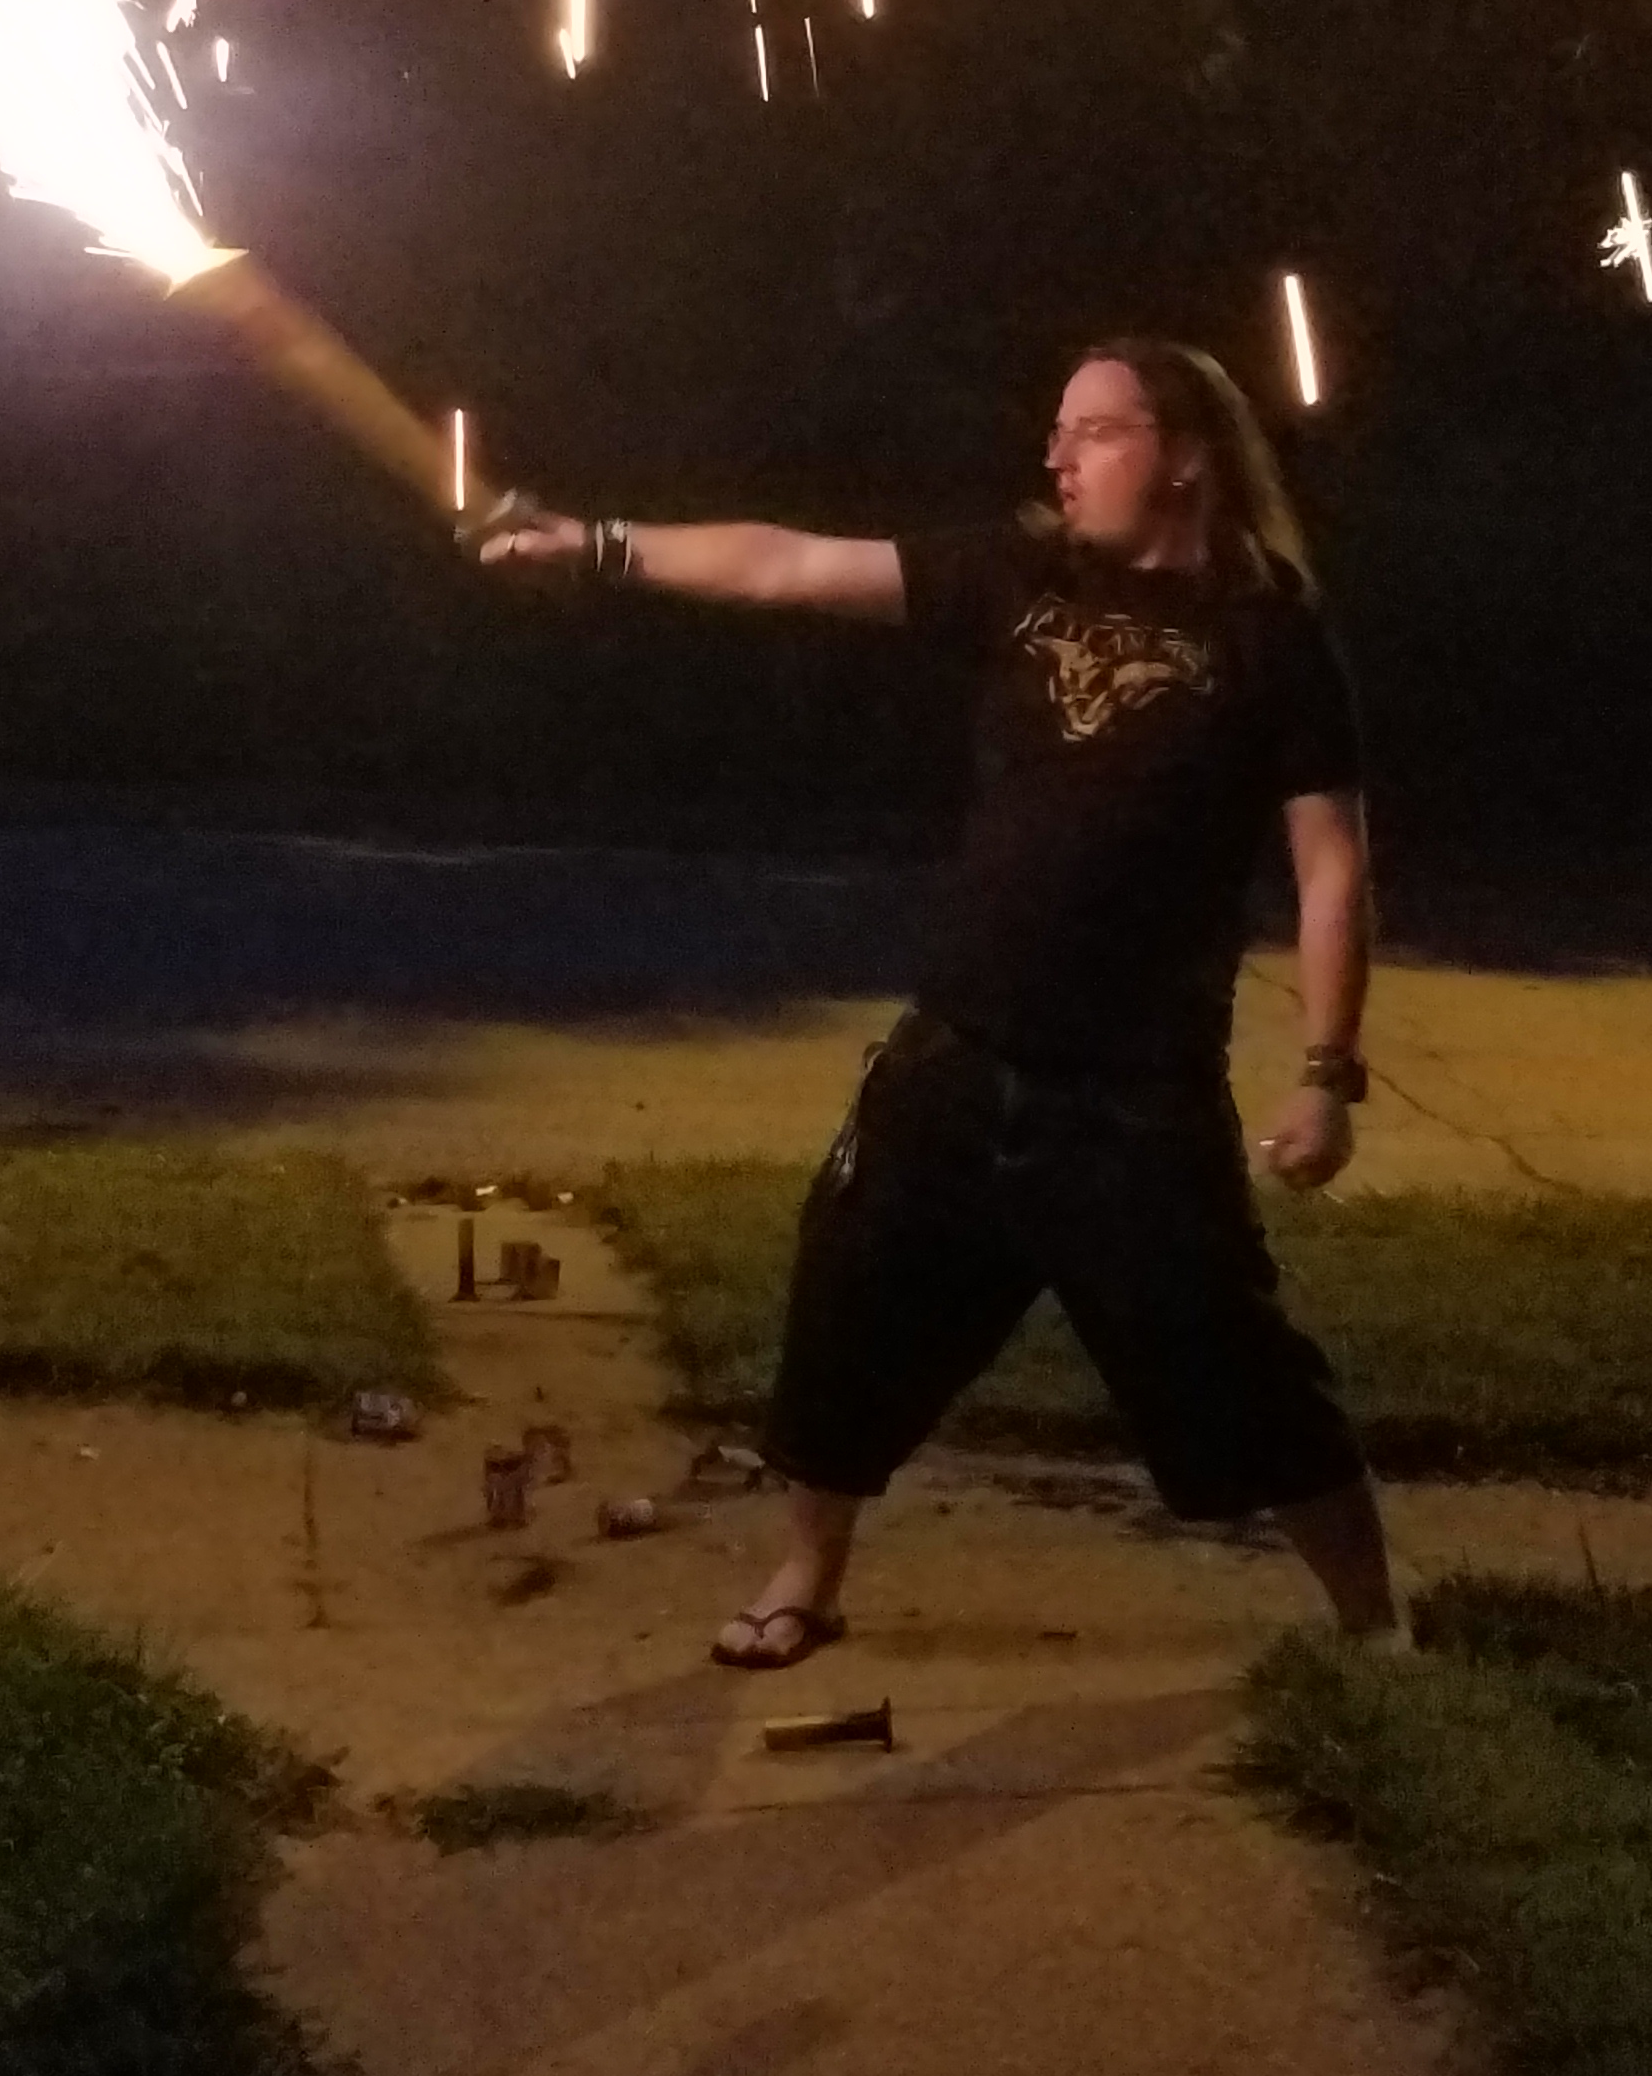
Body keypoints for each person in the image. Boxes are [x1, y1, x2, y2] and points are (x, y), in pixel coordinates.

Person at [469, 339, 1417, 1665]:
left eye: (1095, 431)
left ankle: (1375, 1627)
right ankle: (808, 1577)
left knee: (1230, 1362)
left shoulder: (1271, 636)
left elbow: (1332, 869)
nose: (1058, 456)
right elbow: (790, 564)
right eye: (1058, 429)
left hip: (1131, 1099)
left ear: (1186, 456)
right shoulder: (1020, 574)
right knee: (847, 1309)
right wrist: (599, 546)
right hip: (957, 1056)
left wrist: (1327, 1072)